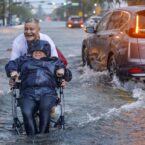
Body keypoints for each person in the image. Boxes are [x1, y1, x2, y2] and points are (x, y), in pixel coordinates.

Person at [5, 40, 72, 136]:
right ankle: (31, 136)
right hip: (27, 93)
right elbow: (10, 64)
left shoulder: (54, 61)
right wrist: (12, 71)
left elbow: (69, 76)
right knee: (27, 112)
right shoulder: (24, 60)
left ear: (46, 53)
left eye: (40, 52)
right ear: (31, 52)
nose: (37, 53)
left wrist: (63, 71)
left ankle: (43, 136)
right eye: (35, 51)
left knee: (45, 109)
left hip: (48, 93)